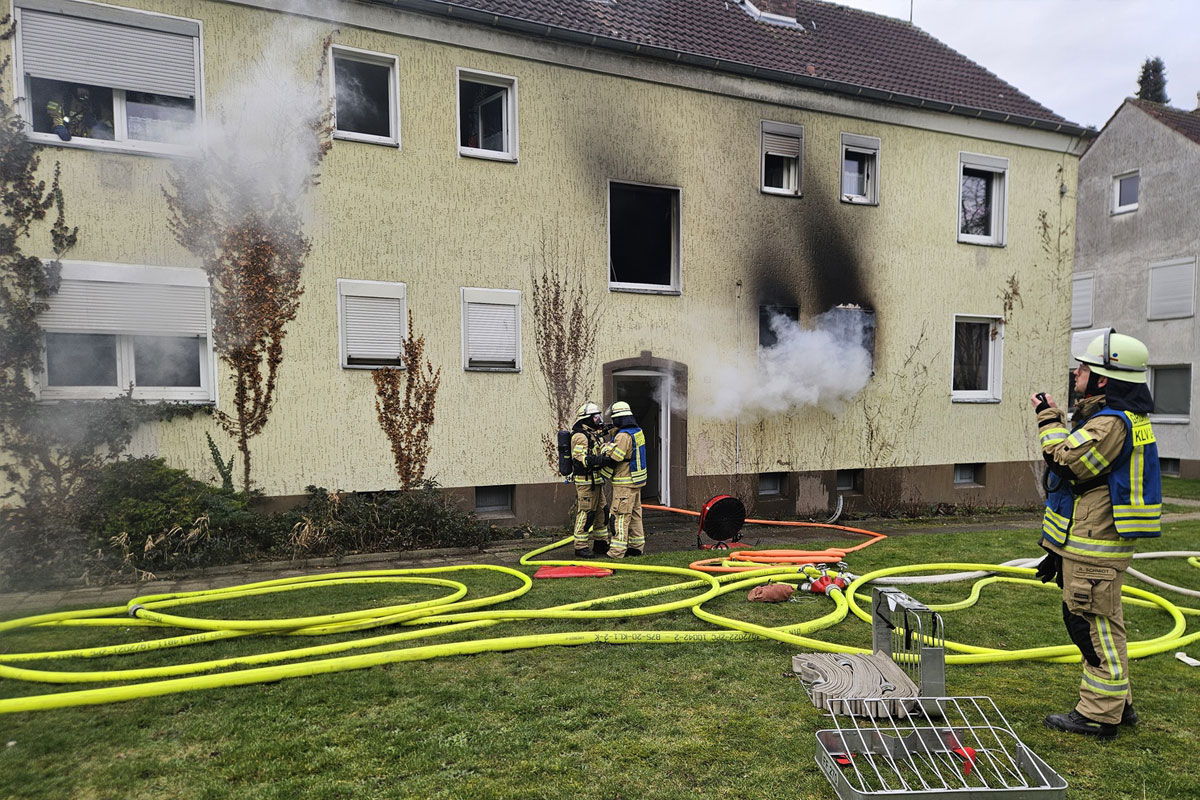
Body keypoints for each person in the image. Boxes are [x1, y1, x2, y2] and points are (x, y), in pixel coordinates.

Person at [1031, 329, 1161, 741]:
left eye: (1084, 368)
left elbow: (1067, 463)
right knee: (1104, 625)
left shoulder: (1110, 424)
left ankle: (1098, 715)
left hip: (1096, 546)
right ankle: (1117, 704)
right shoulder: (1119, 418)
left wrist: (1048, 419)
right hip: (1094, 541)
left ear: (1105, 378)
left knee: (1091, 628)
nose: (1077, 373)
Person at [599, 401, 647, 558]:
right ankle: (636, 547)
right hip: (636, 482)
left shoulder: (623, 436)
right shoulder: (637, 431)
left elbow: (616, 456)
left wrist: (605, 448)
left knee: (619, 517)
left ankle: (616, 551)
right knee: (635, 515)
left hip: (624, 483)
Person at [569, 402, 610, 558]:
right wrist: (599, 460)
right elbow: (580, 459)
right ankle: (580, 547)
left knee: (602, 512)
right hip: (585, 482)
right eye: (595, 417)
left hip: (596, 481)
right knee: (586, 513)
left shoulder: (591, 434)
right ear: (586, 419)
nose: (598, 419)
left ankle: (600, 543)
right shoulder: (580, 436)